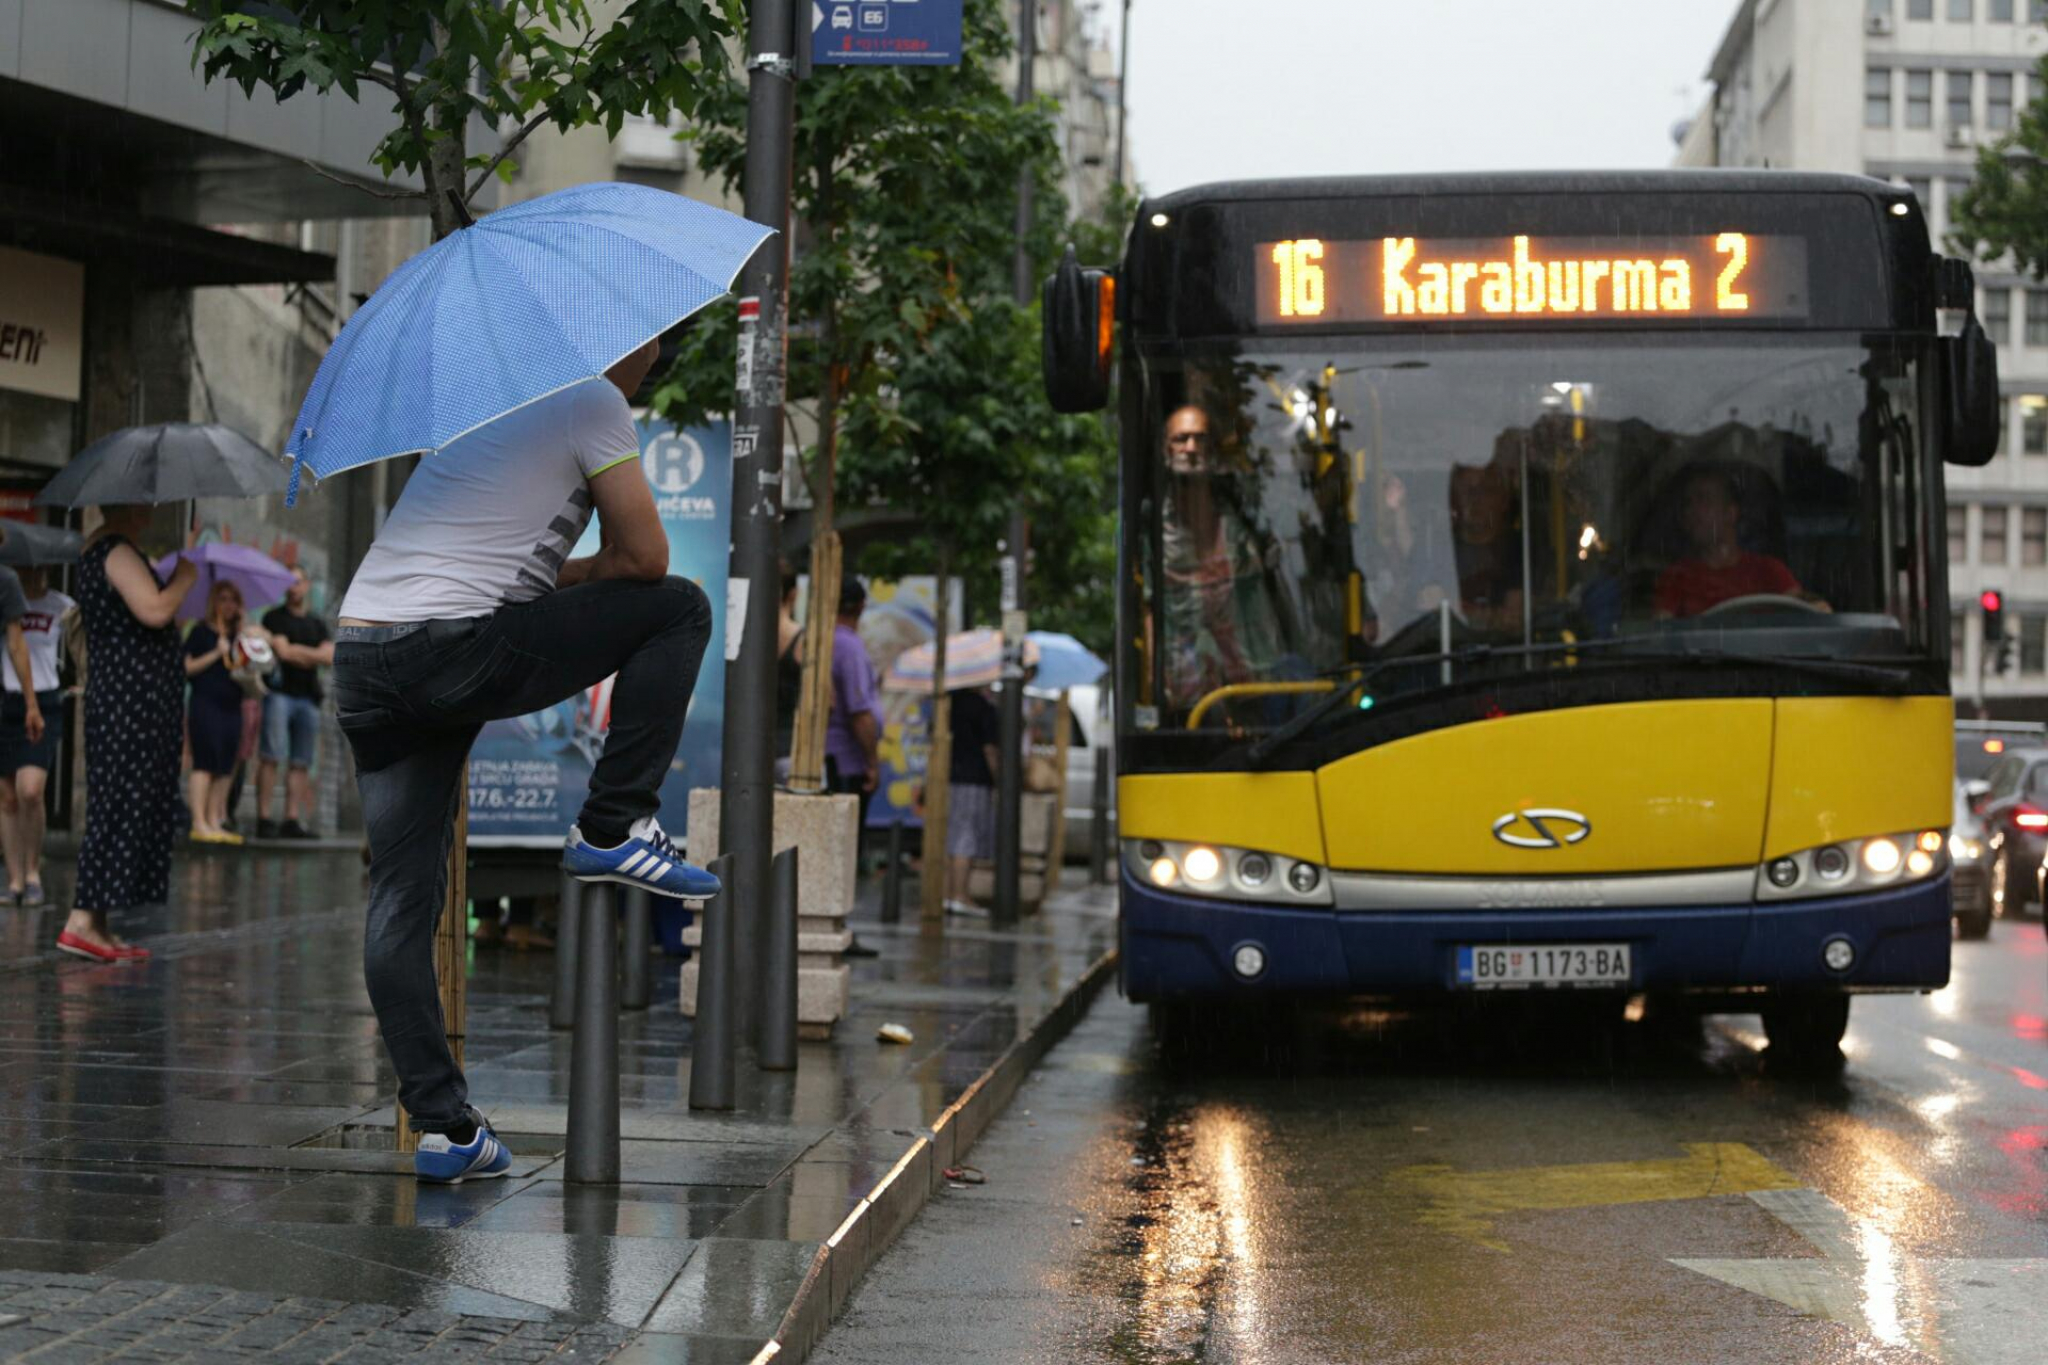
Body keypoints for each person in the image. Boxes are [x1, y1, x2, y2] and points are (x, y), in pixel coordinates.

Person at [332, 341, 718, 1184]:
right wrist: (595, 571)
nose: (657, 348)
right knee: (680, 609)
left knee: (401, 899)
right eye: (655, 337)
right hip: (452, 647)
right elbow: (646, 561)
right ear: (637, 343)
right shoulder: (593, 401)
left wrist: (574, 571)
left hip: (365, 651)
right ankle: (614, 821)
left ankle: (446, 1128)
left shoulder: (493, 401)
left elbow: (511, 565)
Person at [61, 506, 198, 963]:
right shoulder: (115, 551)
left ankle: (98, 923)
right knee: (118, 799)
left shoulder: (113, 550)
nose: (153, 512)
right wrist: (184, 576)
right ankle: (82, 919)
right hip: (128, 702)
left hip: (133, 699)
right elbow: (154, 611)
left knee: (126, 799)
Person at [1158, 404, 1290, 709]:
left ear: (1213, 450)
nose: (1190, 448)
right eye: (1181, 439)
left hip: (1253, 688)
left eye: (1200, 439)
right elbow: (1152, 613)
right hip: (1188, 700)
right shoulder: (1155, 536)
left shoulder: (1245, 526)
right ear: (1166, 450)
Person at [1654, 468, 1826, 619]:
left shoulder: (1768, 570)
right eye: (1688, 503)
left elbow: (1814, 613)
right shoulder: (1677, 577)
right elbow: (1661, 635)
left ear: (1730, 513)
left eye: (1703, 499)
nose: (1691, 510)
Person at [0, 564, 73, 906]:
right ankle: (14, 879)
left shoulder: (60, 605)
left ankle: (32, 870)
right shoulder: (6, 594)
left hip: (42, 698)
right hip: (6, 697)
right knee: (7, 797)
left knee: (30, 791)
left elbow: (78, 641)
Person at [256, 566, 334, 838]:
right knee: (271, 756)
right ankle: (264, 818)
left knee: (301, 761)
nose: (294, 587)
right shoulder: (273, 618)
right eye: (289, 582)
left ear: (307, 585)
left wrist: (295, 651)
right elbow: (283, 653)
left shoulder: (317, 623)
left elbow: (328, 658)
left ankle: (292, 818)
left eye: (298, 582)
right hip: (279, 694)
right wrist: (310, 653)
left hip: (308, 699)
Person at [183, 580, 253, 845]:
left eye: (233, 600)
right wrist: (215, 652)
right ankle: (198, 821)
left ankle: (214, 820)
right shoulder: (200, 632)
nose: (228, 605)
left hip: (232, 706)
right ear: (214, 602)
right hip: (205, 703)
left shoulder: (238, 637)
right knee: (205, 761)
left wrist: (243, 638)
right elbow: (187, 668)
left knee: (226, 764)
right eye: (223, 599)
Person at [824, 577, 883, 823]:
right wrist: (871, 762)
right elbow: (859, 712)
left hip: (831, 759)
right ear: (861, 606)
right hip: (846, 764)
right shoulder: (849, 647)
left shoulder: (826, 641)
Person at [943, 684, 1000, 917]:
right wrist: (999, 779)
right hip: (974, 778)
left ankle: (951, 894)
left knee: (955, 835)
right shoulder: (983, 708)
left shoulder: (948, 704)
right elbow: (990, 750)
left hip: (949, 776)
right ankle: (959, 895)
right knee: (966, 838)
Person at [773, 570, 804, 783]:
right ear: (793, 594)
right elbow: (828, 700)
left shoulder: (746, 637)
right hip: (793, 751)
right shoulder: (803, 640)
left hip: (749, 754)